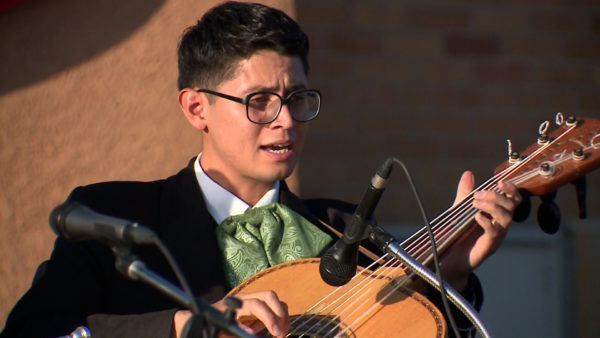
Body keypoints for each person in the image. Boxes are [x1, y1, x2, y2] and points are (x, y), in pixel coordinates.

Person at [1, 2, 521, 337]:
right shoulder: (114, 218)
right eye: (260, 101)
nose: (287, 121)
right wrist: (188, 325)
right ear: (195, 108)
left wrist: (447, 276)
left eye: (298, 99)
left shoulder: (345, 230)